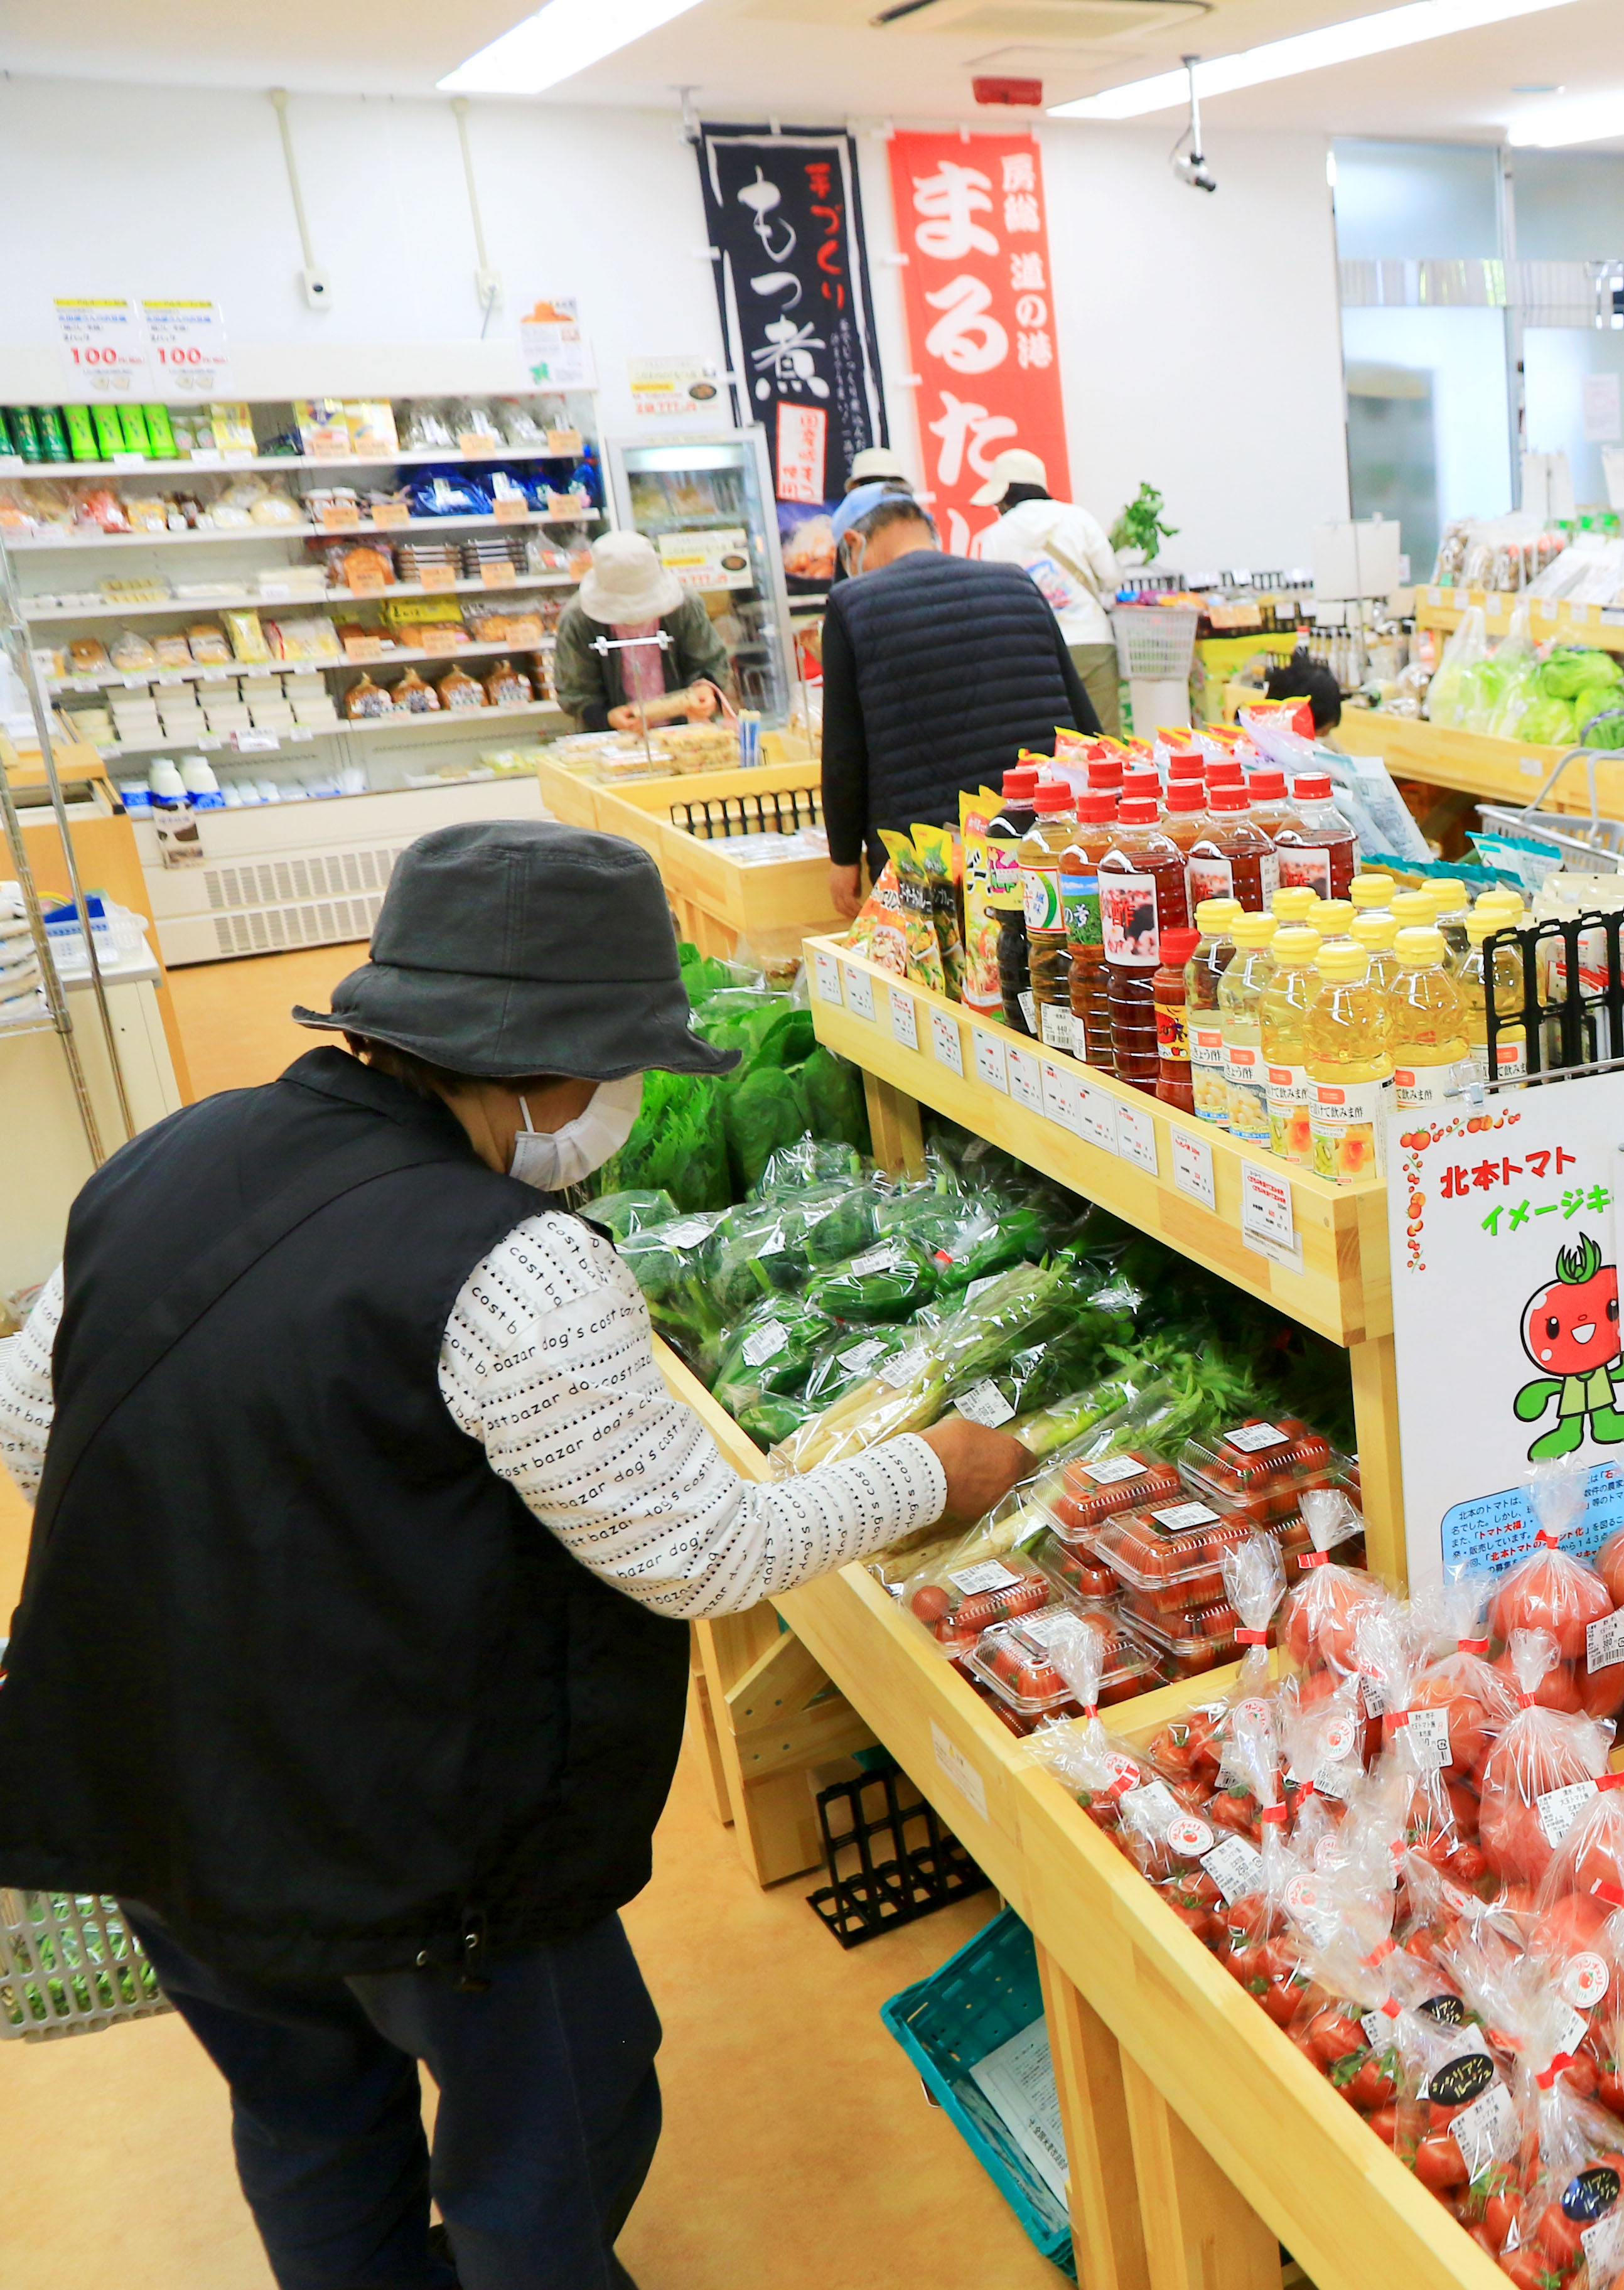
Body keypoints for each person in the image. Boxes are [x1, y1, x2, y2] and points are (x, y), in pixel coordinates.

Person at [0, 820, 1030, 2290]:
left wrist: (277, 1567)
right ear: (555, 1072)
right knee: (555, 2127)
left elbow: (35, 1426)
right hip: (416, 1844)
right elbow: (696, 1548)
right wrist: (935, 1470)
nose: (620, 1105)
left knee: (305, 2113)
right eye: (623, 1074)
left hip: (148, 1788)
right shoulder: (515, 1266)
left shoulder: (167, 1155)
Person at [820, 491, 1099, 917]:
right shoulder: (1016, 582)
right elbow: (1082, 720)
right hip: (1041, 834)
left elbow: (844, 750)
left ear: (855, 544)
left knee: (939, 977)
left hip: (928, 854)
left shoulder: (851, 604)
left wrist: (842, 857)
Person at [968, 447, 1126, 736]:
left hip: (1033, 652)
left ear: (1005, 494)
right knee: (1105, 742)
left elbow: (993, 599)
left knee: (1049, 744)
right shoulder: (1078, 518)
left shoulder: (995, 536)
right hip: (1092, 642)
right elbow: (1112, 577)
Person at [549, 534, 731, 735]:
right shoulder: (578, 620)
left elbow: (710, 660)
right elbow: (575, 691)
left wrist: (705, 689)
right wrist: (607, 716)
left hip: (686, 733)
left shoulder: (684, 606)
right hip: (614, 741)